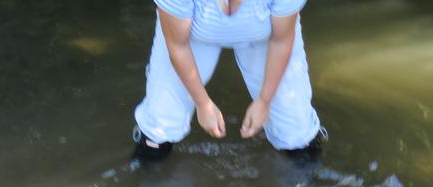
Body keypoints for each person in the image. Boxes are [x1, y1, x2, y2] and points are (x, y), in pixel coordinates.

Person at [133, 0, 325, 161]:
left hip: (267, 34)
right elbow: (177, 46)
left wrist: (264, 101)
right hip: (191, 34)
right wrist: (203, 104)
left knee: (297, 131)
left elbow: (281, 41)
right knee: (160, 124)